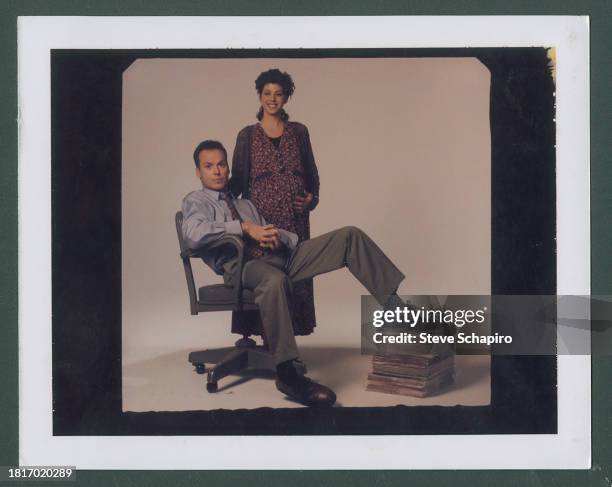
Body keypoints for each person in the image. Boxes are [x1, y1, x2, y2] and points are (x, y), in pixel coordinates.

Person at [182, 140, 406, 407]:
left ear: (228, 167)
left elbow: (274, 231)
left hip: (280, 257)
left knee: (349, 236)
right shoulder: (196, 201)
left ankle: (398, 310)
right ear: (199, 172)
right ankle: (288, 373)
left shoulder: (245, 205)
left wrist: (277, 237)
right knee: (274, 280)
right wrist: (243, 228)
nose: (217, 171)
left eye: (221, 164)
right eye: (209, 166)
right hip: (243, 267)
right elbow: (193, 234)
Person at [229, 69, 319, 339]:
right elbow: (237, 186)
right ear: (259, 96)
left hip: (296, 222)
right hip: (262, 223)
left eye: (278, 94)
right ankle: (269, 345)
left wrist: (311, 199)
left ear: (286, 98)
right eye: (267, 93)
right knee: (268, 278)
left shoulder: (299, 132)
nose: (272, 99)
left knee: (295, 276)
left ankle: (286, 349)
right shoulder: (246, 136)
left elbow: (312, 178)